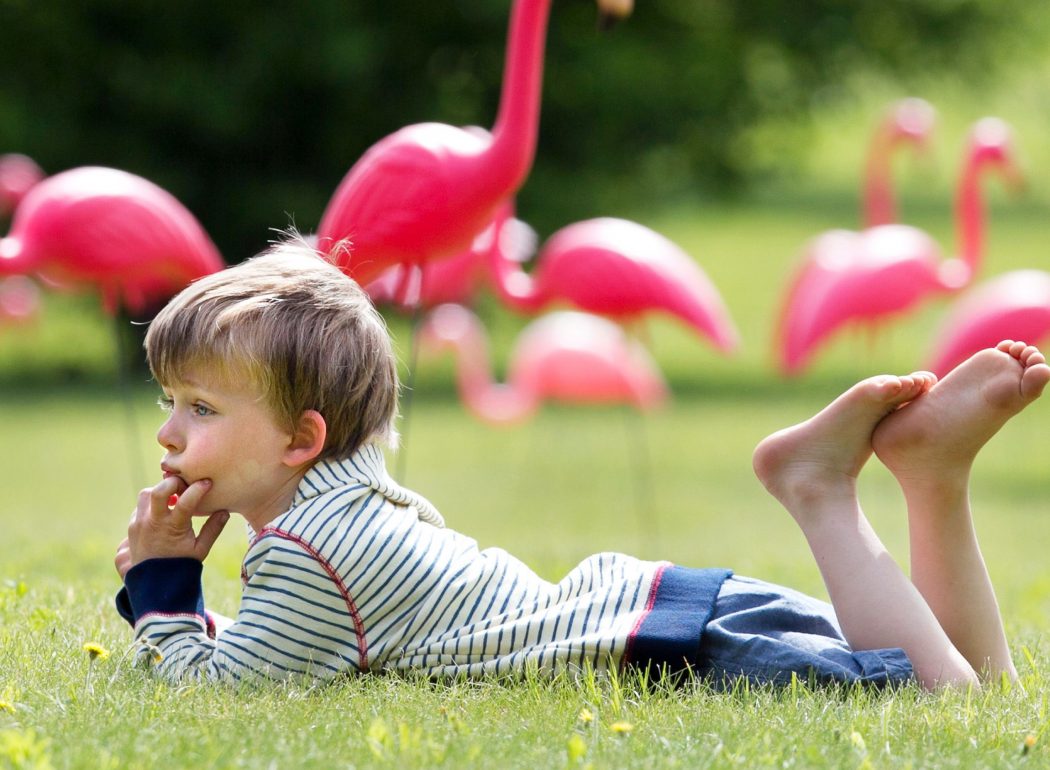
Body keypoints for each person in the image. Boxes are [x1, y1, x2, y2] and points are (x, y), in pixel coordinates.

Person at [113, 236, 1050, 689]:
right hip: (670, 609)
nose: (168, 435)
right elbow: (291, 646)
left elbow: (224, 688)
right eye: (172, 405)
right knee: (974, 687)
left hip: (670, 654)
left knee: (944, 704)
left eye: (199, 408)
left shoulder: (310, 551)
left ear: (301, 441)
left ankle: (820, 493)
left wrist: (162, 587)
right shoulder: (360, 507)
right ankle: (934, 479)